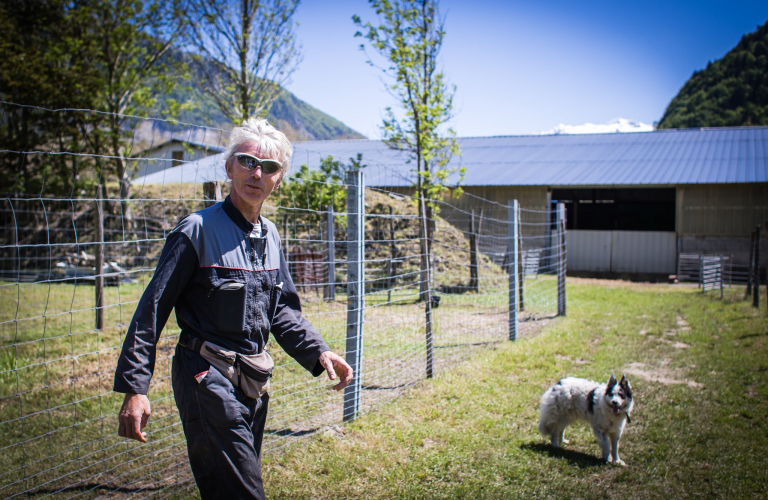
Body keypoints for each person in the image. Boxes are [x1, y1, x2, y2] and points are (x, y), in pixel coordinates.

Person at [113, 118, 353, 499]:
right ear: (229, 167)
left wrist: (320, 351)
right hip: (206, 377)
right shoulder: (196, 230)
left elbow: (282, 311)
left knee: (232, 487)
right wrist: (134, 387)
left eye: (269, 167)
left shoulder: (271, 235)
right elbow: (152, 310)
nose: (257, 173)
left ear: (280, 179)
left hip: (253, 380)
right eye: (247, 161)